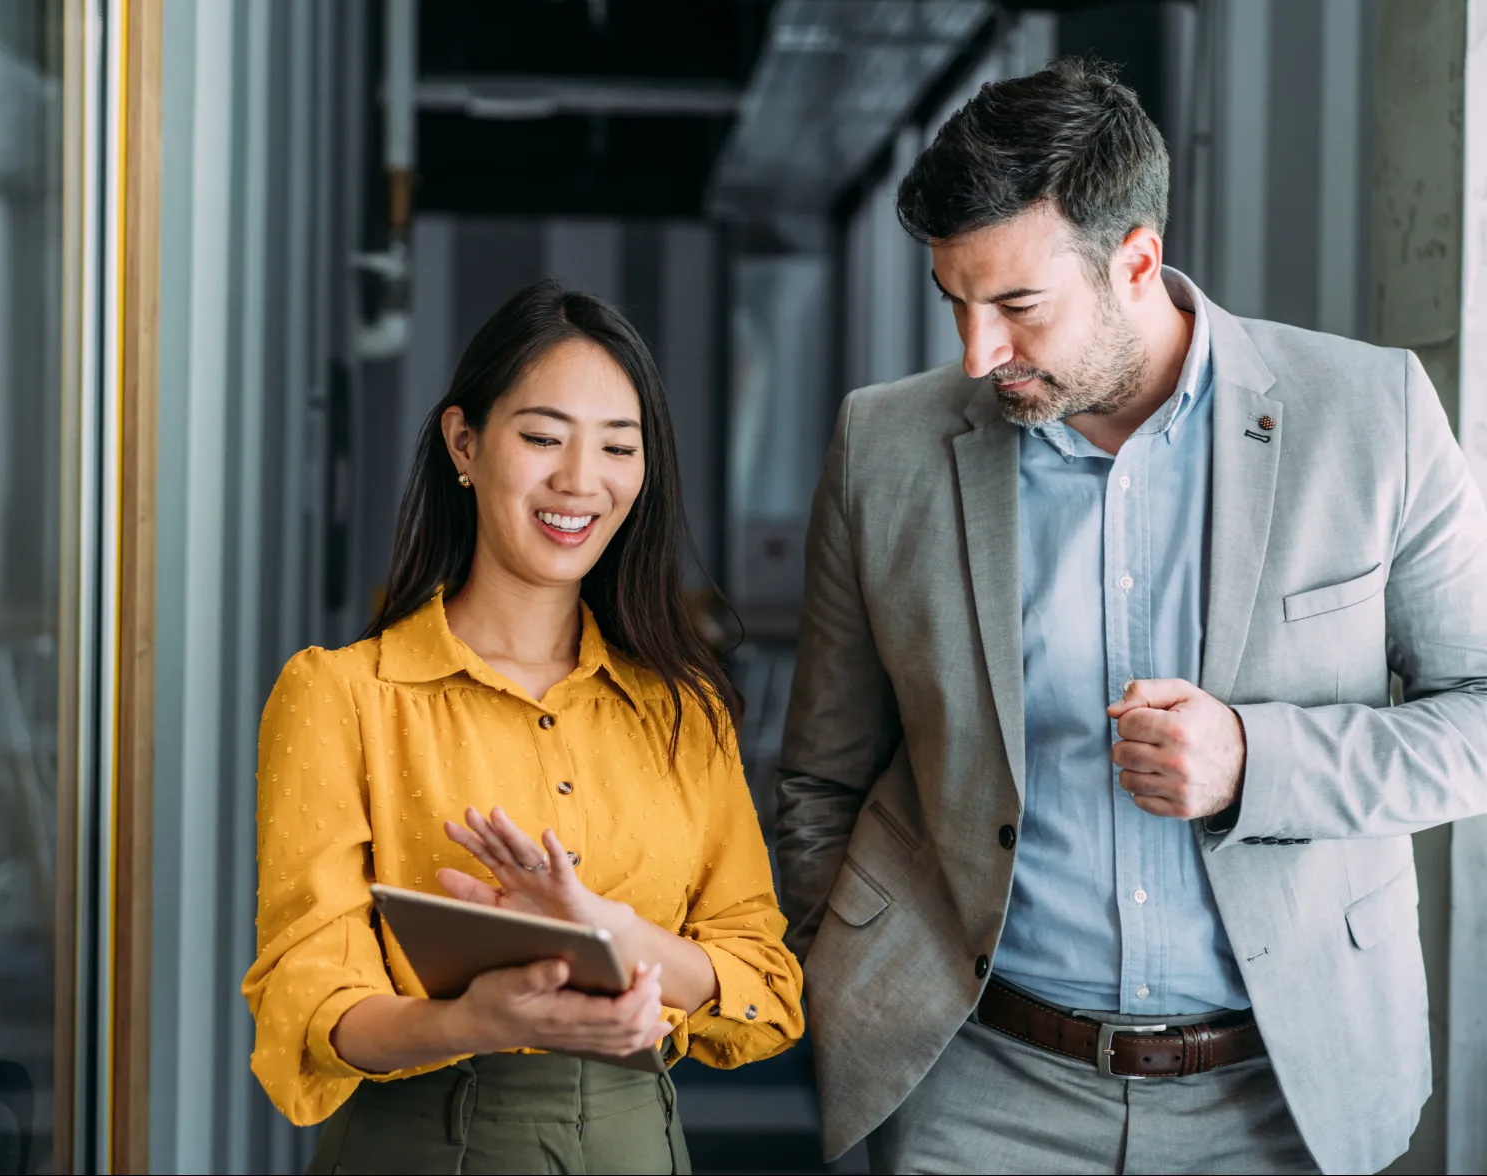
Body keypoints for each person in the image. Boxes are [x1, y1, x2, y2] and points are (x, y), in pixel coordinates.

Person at [773, 57, 1487, 1176]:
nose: (976, 354)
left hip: (1283, 1097)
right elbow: (821, 774)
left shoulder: (1373, 415)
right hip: (974, 1088)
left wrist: (1258, 760)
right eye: (954, 303)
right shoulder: (885, 446)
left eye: (1015, 306)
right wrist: (844, 965)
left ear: (1137, 261)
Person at [243, 279, 803, 1174]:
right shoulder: (342, 696)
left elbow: (764, 987)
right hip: (422, 1138)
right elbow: (309, 1002)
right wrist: (474, 1021)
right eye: (542, 438)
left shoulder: (683, 711)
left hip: (635, 1142)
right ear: (464, 443)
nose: (580, 482)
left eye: (619, 448)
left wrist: (614, 933)